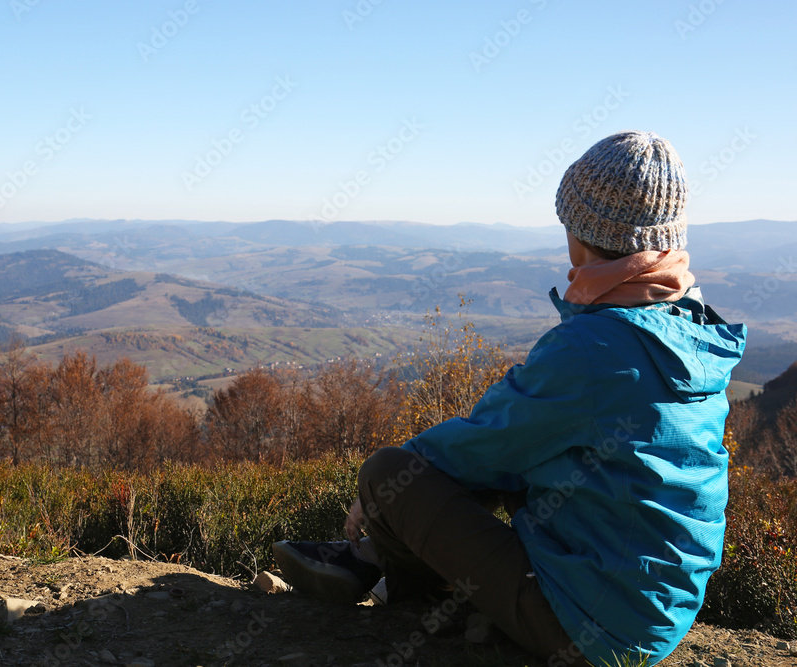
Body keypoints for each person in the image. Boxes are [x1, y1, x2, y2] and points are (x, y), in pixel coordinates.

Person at [273, 131, 747, 666]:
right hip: (652, 612)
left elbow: (486, 442)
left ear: (581, 234)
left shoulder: (596, 347)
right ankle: (374, 564)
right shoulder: (690, 328)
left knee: (390, 471)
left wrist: (379, 500)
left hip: (589, 627)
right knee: (521, 468)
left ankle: (405, 589)